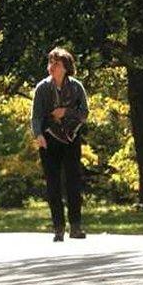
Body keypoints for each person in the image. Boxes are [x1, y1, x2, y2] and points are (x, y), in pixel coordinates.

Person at [32, 46, 89, 241]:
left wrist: (66, 112)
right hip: (48, 139)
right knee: (53, 184)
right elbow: (36, 116)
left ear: (65, 67)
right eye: (50, 63)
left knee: (73, 182)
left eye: (56, 64)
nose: (52, 67)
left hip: (71, 138)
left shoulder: (76, 87)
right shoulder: (42, 88)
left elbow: (84, 114)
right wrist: (38, 134)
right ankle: (58, 227)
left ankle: (76, 226)